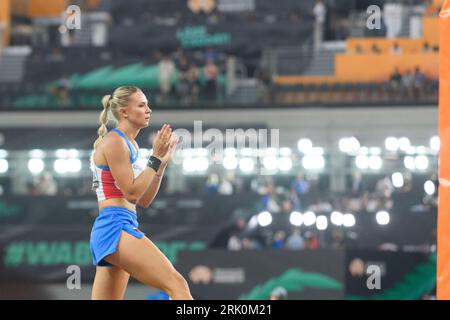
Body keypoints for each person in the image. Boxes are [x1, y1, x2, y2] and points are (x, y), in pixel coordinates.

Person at [89, 86, 193, 300]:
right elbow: (132, 194)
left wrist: (161, 165)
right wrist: (154, 158)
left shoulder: (131, 144)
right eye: (142, 104)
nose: (149, 110)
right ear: (124, 112)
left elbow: (144, 200)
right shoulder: (115, 141)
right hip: (115, 227)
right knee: (178, 285)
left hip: (117, 226)